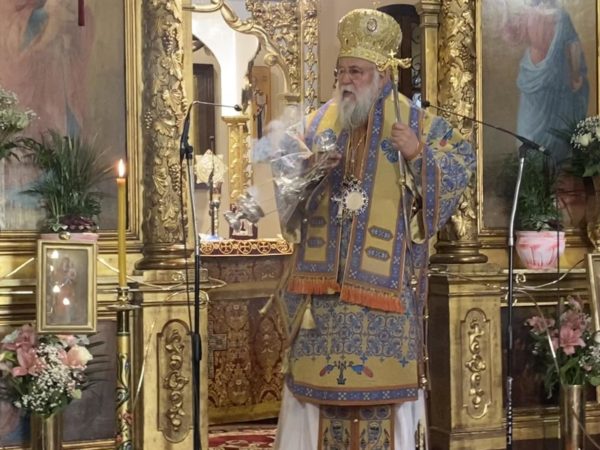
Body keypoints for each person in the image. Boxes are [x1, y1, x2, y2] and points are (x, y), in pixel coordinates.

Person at [271, 8, 475, 450]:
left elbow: (462, 166)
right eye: (341, 71)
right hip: (322, 304)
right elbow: (284, 179)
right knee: (315, 399)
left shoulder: (417, 123)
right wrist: (309, 168)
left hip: (386, 301)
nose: (346, 81)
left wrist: (418, 155)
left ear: (383, 74)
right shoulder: (316, 125)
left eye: (356, 72)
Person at [501, 0, 589, 163]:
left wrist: (505, 12)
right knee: (554, 124)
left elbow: (513, 38)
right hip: (556, 75)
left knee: (531, 122)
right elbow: (574, 45)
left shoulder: (527, 13)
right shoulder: (561, 16)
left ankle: (532, 166)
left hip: (535, 72)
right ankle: (547, 166)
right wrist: (576, 75)